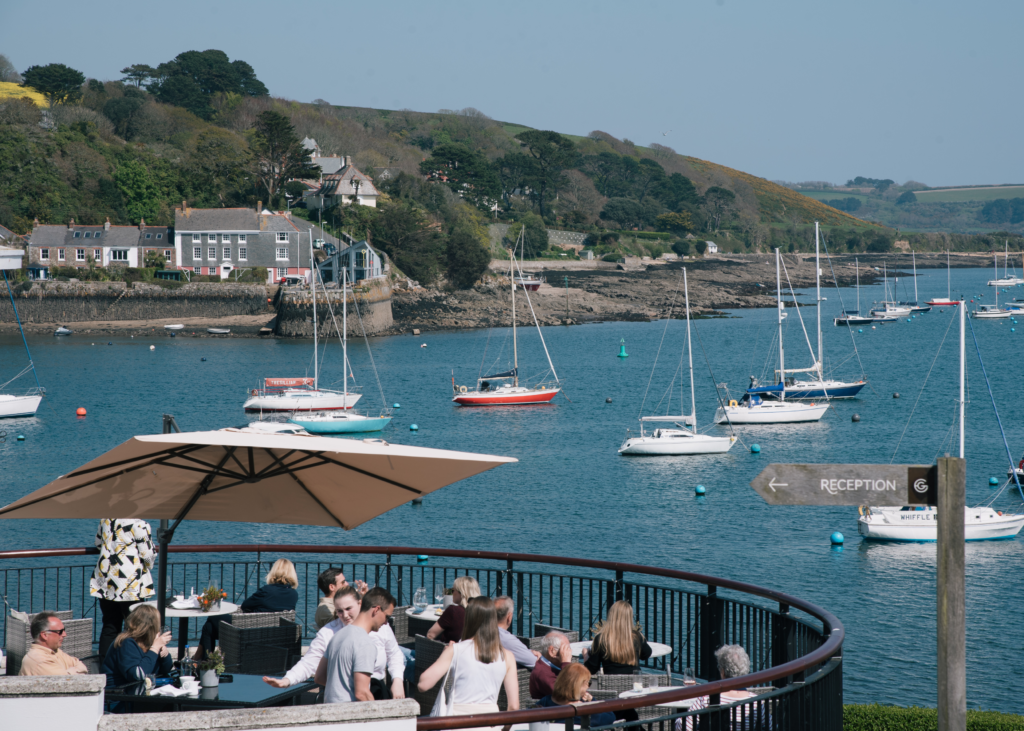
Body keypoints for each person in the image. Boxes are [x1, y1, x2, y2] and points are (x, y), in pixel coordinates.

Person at [265, 585, 405, 700]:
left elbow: (394, 654)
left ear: (360, 603)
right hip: (361, 698)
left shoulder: (379, 626)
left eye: (348, 609)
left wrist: (397, 680)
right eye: (339, 611)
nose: (345, 615)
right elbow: (309, 662)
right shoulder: (330, 633)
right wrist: (287, 680)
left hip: (375, 690)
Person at [417, 596, 519, 717]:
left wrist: (446, 655)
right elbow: (513, 707)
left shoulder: (456, 650)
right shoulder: (508, 656)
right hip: (490, 724)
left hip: (456, 723)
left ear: (469, 619)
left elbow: (423, 685)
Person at [196, 558, 299, 660]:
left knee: (212, 618)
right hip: (273, 636)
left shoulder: (266, 591)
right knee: (209, 627)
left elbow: (245, 605)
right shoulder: (294, 595)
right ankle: (201, 660)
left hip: (248, 632)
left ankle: (204, 663)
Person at [89, 519, 155, 662]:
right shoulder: (139, 524)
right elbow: (148, 555)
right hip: (129, 582)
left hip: (107, 579)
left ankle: (106, 666)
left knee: (110, 624)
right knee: (137, 627)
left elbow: (98, 543)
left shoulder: (106, 519)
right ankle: (133, 663)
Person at [315, 587, 397, 703]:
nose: (385, 622)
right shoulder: (365, 643)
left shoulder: (338, 635)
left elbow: (319, 677)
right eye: (387, 617)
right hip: (350, 716)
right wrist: (378, 714)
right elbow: (362, 693)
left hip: (330, 712)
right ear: (376, 610)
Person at [682, 645, 760, 731]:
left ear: (722, 672)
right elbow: (771, 725)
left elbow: (684, 726)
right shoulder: (756, 702)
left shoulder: (707, 699)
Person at [101, 604, 173, 687]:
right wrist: (155, 648)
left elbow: (166, 670)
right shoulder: (126, 643)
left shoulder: (147, 641)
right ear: (151, 626)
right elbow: (137, 675)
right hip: (120, 695)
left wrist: (164, 653)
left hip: (139, 690)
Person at [584, 600, 652, 675]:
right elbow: (646, 654)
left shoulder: (601, 638)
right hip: (635, 684)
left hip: (610, 685)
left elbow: (591, 670)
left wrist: (585, 655)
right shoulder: (636, 637)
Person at [536, 663, 614, 727]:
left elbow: (529, 714)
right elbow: (610, 717)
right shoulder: (585, 710)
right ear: (578, 686)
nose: (588, 686)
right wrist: (593, 701)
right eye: (588, 683)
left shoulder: (546, 701)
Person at [18, 612, 88, 676]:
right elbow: (65, 682)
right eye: (60, 631)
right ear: (44, 635)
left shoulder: (55, 651)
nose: (64, 634)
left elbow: (82, 666)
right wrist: (72, 672)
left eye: (64, 630)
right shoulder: (40, 660)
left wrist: (67, 673)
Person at [426, 575, 479, 643]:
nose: (451, 592)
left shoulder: (454, 610)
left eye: (453, 590)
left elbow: (430, 635)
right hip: (472, 652)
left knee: (407, 650)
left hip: (448, 652)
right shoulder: (482, 611)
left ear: (461, 593)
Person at [494, 596, 539, 668]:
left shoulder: (482, 631)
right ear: (509, 617)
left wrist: (528, 652)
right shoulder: (506, 639)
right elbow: (534, 662)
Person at [529, 631, 572, 699]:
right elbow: (567, 695)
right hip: (555, 709)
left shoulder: (554, 667)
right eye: (565, 649)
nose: (570, 652)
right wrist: (566, 665)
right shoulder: (542, 673)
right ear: (552, 651)